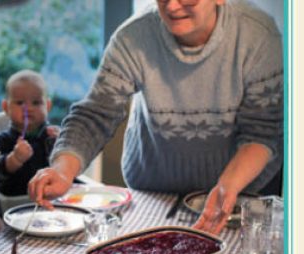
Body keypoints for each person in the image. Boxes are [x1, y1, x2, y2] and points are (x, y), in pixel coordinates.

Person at [28, 0, 283, 235]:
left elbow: (263, 131)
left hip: (242, 193)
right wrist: (63, 170)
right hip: (153, 193)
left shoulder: (258, 36)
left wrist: (229, 186)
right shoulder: (133, 37)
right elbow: (95, 114)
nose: (171, 7)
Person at [0, 70, 56, 210]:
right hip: (14, 207)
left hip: (50, 203)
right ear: (6, 107)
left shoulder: (51, 137)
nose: (28, 108)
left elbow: (62, 168)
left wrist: (60, 144)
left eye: (36, 102)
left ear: (47, 106)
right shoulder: (2, 140)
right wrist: (14, 159)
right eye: (20, 102)